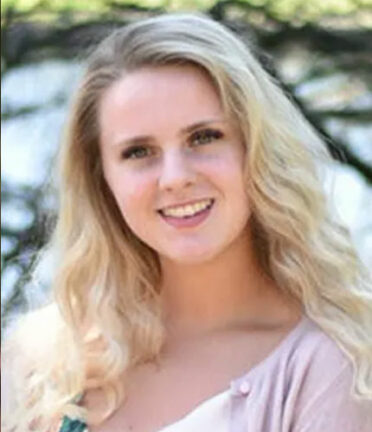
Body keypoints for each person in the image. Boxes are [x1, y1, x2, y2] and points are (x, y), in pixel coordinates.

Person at [2, 12, 372, 432]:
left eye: (204, 137)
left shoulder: (330, 368)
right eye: (139, 152)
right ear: (101, 177)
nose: (175, 177)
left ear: (256, 149)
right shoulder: (40, 362)